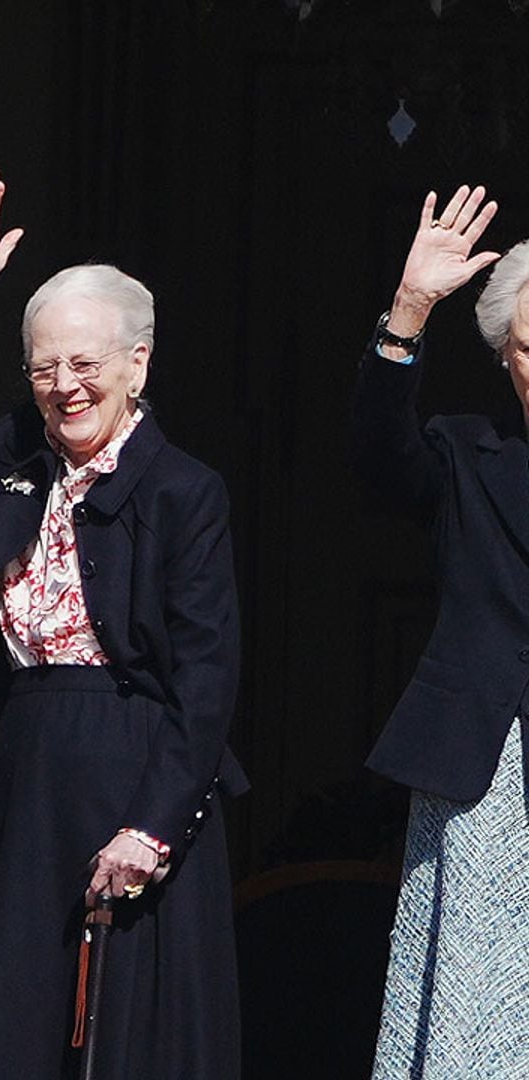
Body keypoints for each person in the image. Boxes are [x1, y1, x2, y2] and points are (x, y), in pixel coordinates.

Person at [0, 170, 247, 1079]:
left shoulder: (185, 491)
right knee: (19, 1017)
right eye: (43, 368)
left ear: (137, 364)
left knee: (128, 1029)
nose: (64, 388)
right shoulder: (13, 456)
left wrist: (151, 828)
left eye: (85, 365)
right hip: (29, 754)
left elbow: (207, 680)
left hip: (141, 759)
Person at [350, 184, 529, 1078]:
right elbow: (379, 452)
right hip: (485, 771)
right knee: (474, 1007)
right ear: (506, 357)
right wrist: (410, 309)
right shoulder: (466, 452)